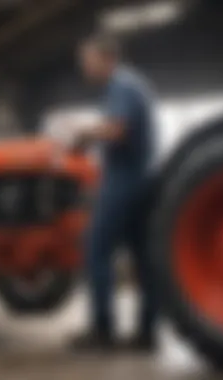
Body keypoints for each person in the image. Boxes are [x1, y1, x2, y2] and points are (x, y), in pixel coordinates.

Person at [68, 33, 158, 352]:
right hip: (142, 177)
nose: (84, 67)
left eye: (87, 60)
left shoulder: (121, 84)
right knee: (143, 256)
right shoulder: (130, 85)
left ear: (107, 58)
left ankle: (102, 330)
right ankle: (147, 332)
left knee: (96, 247)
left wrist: (81, 133)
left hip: (125, 178)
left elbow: (116, 130)